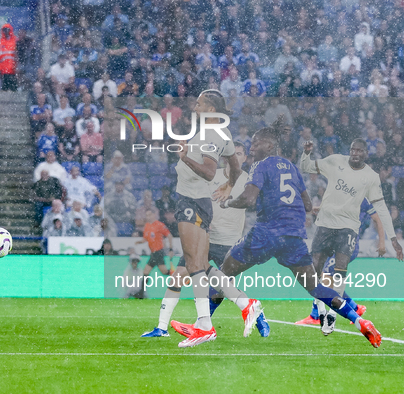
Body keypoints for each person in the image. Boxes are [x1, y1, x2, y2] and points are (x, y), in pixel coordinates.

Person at [209, 117, 383, 348]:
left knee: (223, 272)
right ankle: (360, 321)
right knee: (316, 288)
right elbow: (308, 205)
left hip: (266, 233)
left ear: (270, 146)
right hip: (294, 239)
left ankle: (206, 324)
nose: (251, 148)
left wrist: (228, 203)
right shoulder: (291, 167)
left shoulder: (261, 165)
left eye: (256, 144)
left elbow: (248, 199)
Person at [166, 89, 259, 348]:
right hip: (198, 201)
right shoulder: (222, 133)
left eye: (199, 104)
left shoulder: (209, 133)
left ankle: (211, 322)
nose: (194, 107)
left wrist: (184, 157)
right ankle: (236, 308)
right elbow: (236, 167)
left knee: (194, 264)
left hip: (192, 200)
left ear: (209, 109)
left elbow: (208, 172)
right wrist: (230, 184)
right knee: (201, 264)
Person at [299, 138, 403, 336]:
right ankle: (321, 309)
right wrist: (306, 153)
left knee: (339, 271)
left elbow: (380, 210)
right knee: (314, 272)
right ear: (349, 151)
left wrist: (392, 239)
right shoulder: (336, 161)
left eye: (360, 151)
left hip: (347, 229)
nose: (355, 153)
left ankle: (331, 313)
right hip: (325, 225)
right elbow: (305, 166)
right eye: (353, 150)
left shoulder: (370, 177)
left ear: (366, 153)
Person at [296, 198, 386, 326]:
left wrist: (382, 242)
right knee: (323, 279)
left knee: (325, 279)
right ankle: (354, 308)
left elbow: (377, 219)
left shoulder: (362, 197)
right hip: (335, 244)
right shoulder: (343, 192)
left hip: (348, 247)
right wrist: (320, 209)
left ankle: (316, 315)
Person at [135, 209, 173, 276]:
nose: (148, 217)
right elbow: (145, 238)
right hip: (153, 252)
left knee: (146, 272)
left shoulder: (159, 225)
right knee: (162, 271)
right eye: (147, 215)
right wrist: (139, 242)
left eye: (149, 215)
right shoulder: (147, 225)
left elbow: (169, 236)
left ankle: (179, 275)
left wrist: (170, 249)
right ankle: (178, 275)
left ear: (154, 215)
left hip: (158, 252)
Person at [0, 23, 17, 91]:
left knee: (14, 89)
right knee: (5, 88)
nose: (6, 31)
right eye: (4, 30)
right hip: (4, 71)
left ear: (10, 30)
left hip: (14, 70)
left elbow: (18, 55)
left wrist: (17, 68)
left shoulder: (15, 40)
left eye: (7, 30)